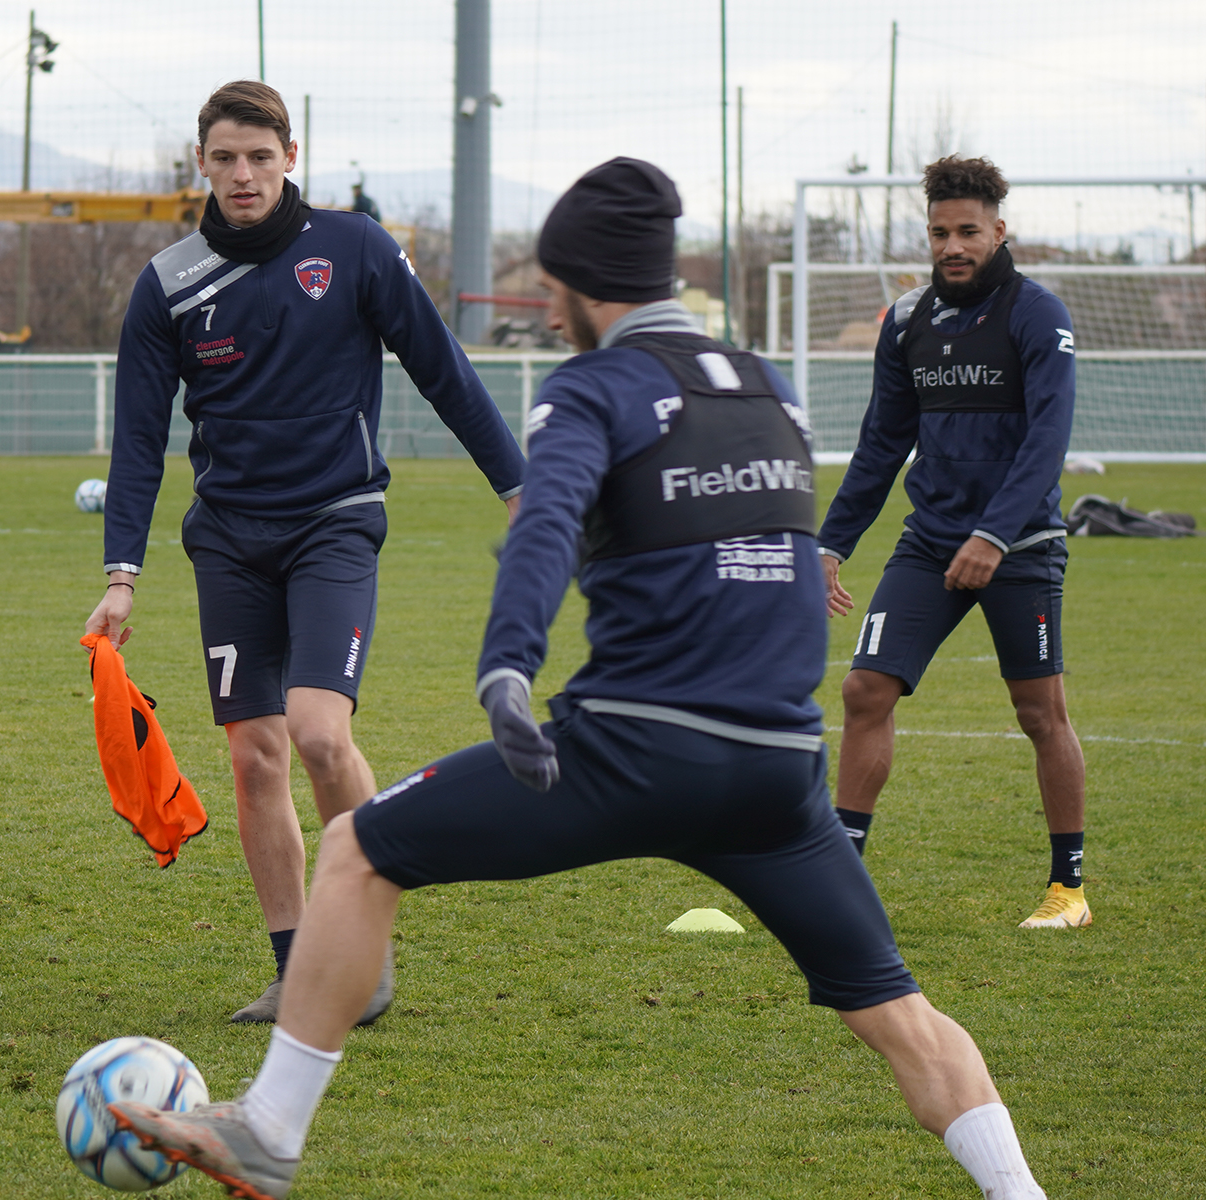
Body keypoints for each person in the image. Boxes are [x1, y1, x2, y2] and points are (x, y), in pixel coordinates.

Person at [108, 158, 1051, 1200]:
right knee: (906, 1022)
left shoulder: (593, 389)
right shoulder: (764, 386)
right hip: (779, 772)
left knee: (356, 850)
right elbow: (778, 565)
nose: (551, 314)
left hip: (631, 750)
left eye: (554, 288)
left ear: (588, 285)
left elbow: (541, 529)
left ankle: (270, 1131)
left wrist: (507, 666)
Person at [84, 81, 525, 1024]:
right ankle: (299, 968)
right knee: (253, 757)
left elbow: (444, 372)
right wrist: (123, 574)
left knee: (323, 734)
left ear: (292, 157)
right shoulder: (168, 283)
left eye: (259, 155)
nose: (242, 175)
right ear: (200, 165)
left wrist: (521, 488)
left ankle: (361, 943)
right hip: (230, 542)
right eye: (224, 158)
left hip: (334, 521)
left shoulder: (355, 249)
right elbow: (135, 439)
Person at [817, 156, 1088, 930]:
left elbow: (1048, 439)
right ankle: (841, 879)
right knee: (866, 688)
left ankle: (1068, 889)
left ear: (999, 231)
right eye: (940, 232)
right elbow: (880, 445)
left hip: (1021, 545)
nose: (953, 245)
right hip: (931, 543)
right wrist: (830, 544)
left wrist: (995, 534)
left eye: (968, 231)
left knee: (1041, 713)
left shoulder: (1039, 314)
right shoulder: (908, 321)